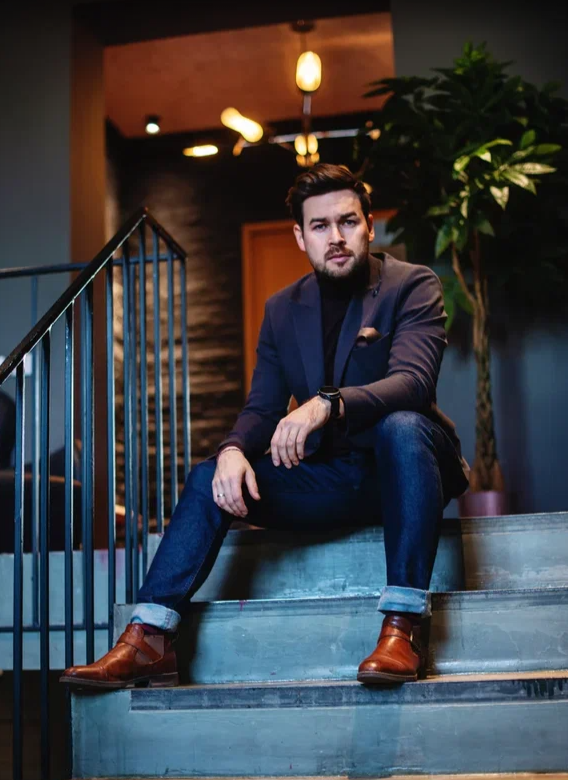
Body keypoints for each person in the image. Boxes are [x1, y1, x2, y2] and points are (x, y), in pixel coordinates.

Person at [61, 163, 469, 690]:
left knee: (403, 426)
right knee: (211, 473)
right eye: (320, 226)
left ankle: (403, 628)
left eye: (348, 222)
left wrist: (326, 405)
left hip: (410, 469)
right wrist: (233, 449)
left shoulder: (412, 285)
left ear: (369, 226)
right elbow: (262, 407)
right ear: (301, 236)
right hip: (333, 481)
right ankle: (149, 640)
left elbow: (412, 383)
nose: (336, 236)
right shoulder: (282, 310)